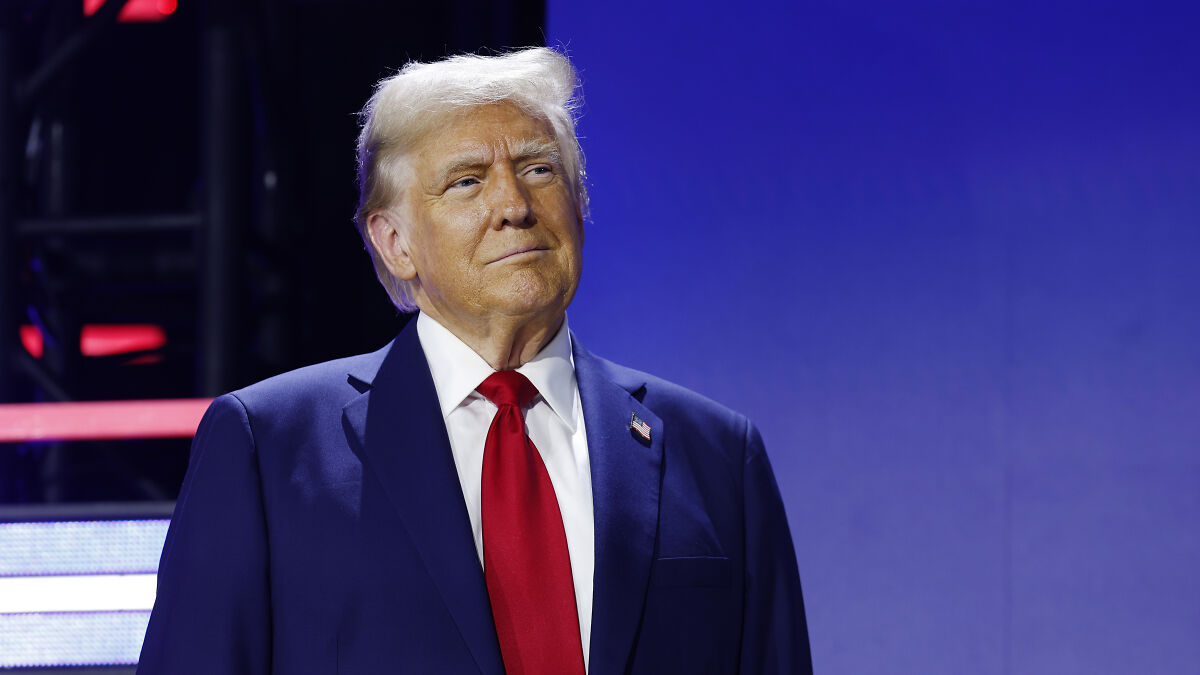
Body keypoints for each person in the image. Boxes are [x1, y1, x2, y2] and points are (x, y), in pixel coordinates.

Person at [137, 47, 812, 674]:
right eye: (466, 182)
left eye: (539, 170)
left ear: (580, 204)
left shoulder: (718, 455)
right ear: (395, 241)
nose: (514, 206)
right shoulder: (268, 450)